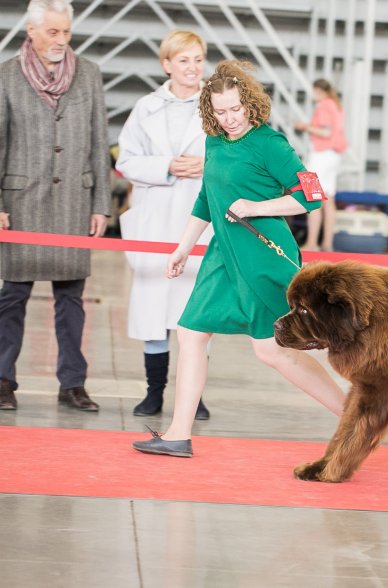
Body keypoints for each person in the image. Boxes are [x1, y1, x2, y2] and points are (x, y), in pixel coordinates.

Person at [132, 60, 346, 457]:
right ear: (209, 111)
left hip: (262, 257)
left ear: (250, 103)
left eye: (236, 109)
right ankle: (179, 433)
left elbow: (312, 194)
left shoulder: (272, 143)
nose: (229, 119)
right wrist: (183, 246)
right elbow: (206, 199)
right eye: (221, 111)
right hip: (222, 255)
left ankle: (353, 418)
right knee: (191, 334)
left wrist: (257, 206)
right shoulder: (214, 141)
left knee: (271, 351)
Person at [0, 0, 111, 412]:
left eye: (66, 32)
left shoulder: (90, 75)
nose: (61, 40)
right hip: (21, 203)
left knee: (71, 299)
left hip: (72, 203)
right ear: (31, 31)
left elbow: (100, 142)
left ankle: (73, 384)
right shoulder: (7, 76)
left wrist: (100, 203)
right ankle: (2, 379)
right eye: (53, 32)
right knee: (12, 296)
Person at [116, 30, 212, 420]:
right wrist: (166, 166)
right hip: (156, 216)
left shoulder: (218, 103)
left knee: (197, 311)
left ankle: (195, 396)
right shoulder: (146, 107)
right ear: (167, 64)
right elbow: (126, 160)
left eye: (198, 59)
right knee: (154, 309)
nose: (193, 67)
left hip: (198, 217)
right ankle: (153, 392)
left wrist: (208, 166)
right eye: (184, 60)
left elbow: (236, 154)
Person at [293, 79, 347, 252]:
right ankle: (327, 243)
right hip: (334, 155)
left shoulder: (324, 105)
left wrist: (305, 127)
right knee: (328, 200)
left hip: (321, 154)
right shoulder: (336, 105)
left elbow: (325, 132)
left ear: (318, 90)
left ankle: (311, 242)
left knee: (312, 196)